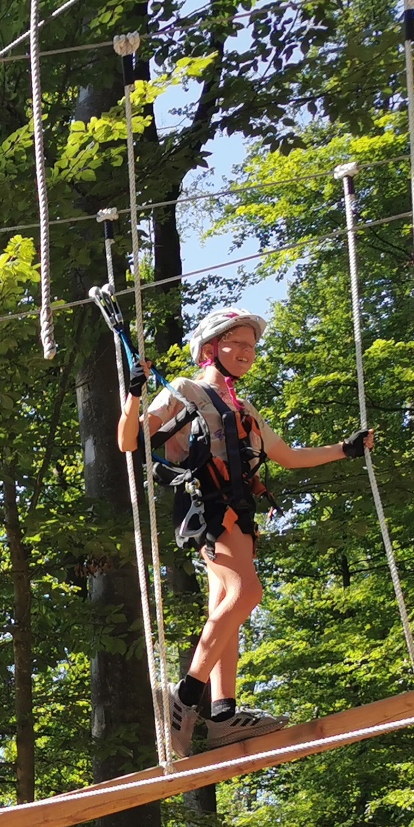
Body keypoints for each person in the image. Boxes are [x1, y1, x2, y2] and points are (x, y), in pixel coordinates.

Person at [117, 307, 373, 753]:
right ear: (211, 349)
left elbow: (287, 455)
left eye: (252, 346)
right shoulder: (186, 390)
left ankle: (223, 715)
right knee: (246, 594)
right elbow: (128, 441)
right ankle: (184, 696)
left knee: (226, 609)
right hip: (208, 507)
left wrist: (345, 450)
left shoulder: (243, 408)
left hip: (238, 510)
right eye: (237, 343)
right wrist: (134, 396)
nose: (247, 353)